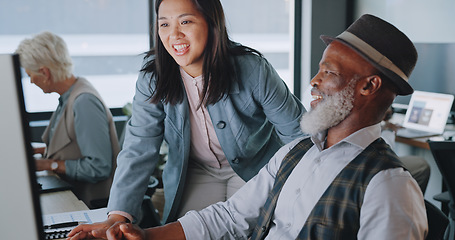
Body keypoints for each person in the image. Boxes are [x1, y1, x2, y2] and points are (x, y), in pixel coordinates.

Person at [74, 14, 430, 240]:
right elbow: (228, 217)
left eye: (330, 72)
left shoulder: (388, 186)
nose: (313, 82)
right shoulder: (297, 154)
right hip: (200, 172)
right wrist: (137, 230)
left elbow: (294, 125)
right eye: (163, 23)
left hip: (247, 166)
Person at [68, 0, 305, 237]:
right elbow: (139, 147)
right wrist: (117, 216)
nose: (174, 35)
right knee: (184, 232)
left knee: (252, 231)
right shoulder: (152, 77)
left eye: (185, 21)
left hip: (255, 167)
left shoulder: (253, 68)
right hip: (197, 170)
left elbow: (298, 134)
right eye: (164, 25)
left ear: (212, 23)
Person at [15, 31, 120, 208]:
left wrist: (48, 164)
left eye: (30, 74)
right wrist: (34, 150)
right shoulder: (71, 93)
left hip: (92, 203)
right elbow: (71, 145)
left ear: (44, 72)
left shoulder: (83, 102)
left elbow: (99, 167)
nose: (31, 81)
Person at [381, 106, 431, 193]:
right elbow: (384, 153)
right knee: (421, 166)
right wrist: (388, 130)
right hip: (372, 165)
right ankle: (408, 205)